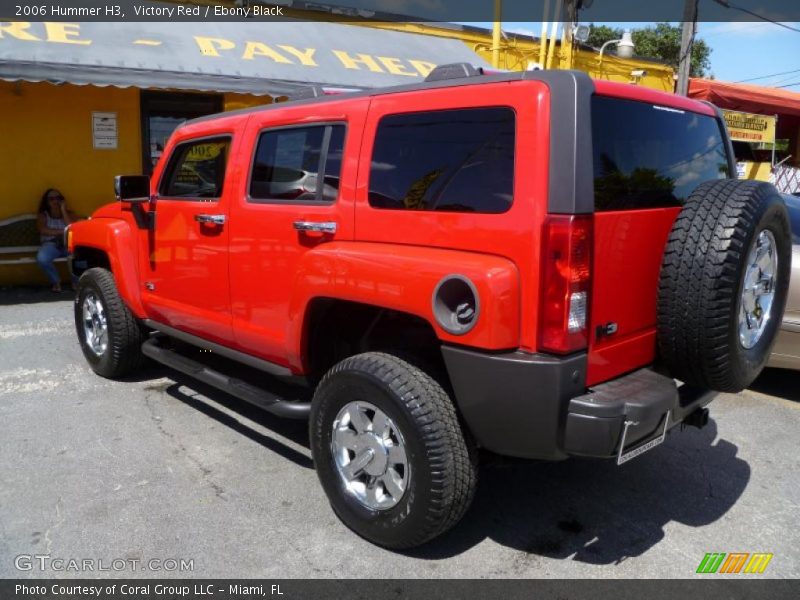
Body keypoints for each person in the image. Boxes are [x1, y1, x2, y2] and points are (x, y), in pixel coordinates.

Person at [36, 188, 76, 292]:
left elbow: (71, 227)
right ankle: (56, 281)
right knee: (42, 259)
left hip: (68, 241)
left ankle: (76, 282)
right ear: (47, 202)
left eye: (58, 198)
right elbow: (43, 230)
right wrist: (63, 232)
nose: (55, 201)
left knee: (77, 256)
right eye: (51, 199)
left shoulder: (69, 214)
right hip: (51, 244)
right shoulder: (43, 215)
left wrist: (63, 210)